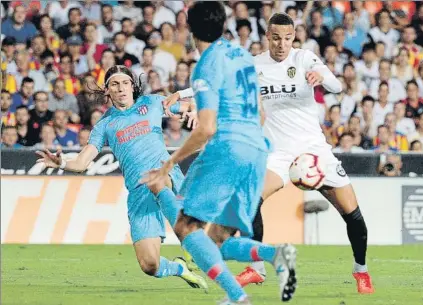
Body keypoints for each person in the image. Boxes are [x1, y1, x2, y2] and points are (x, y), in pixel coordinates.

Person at [166, 12, 374, 295]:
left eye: (288, 38)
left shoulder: (304, 59)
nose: (282, 44)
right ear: (267, 36)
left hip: (313, 150)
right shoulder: (255, 65)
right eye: (276, 38)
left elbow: (336, 85)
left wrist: (321, 77)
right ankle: (258, 269)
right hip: (278, 152)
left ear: (294, 38)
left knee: (353, 214)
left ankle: (361, 270)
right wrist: (184, 93)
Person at [143, 3, 297, 305]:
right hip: (256, 150)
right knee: (216, 240)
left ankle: (238, 296)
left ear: (189, 28)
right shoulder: (240, 54)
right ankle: (275, 254)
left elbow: (207, 128)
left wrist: (169, 163)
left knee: (187, 226)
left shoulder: (206, 64)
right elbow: (261, 113)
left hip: (229, 148)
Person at [35, 65, 207, 290]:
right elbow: (82, 162)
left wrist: (193, 109)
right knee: (149, 265)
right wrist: (62, 163)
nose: (121, 88)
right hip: (138, 192)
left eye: (125, 82)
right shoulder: (105, 124)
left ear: (132, 86)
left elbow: (192, 105)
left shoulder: (152, 103)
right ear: (107, 91)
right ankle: (180, 268)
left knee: (158, 180)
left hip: (165, 174)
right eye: (115, 84)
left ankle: (190, 242)